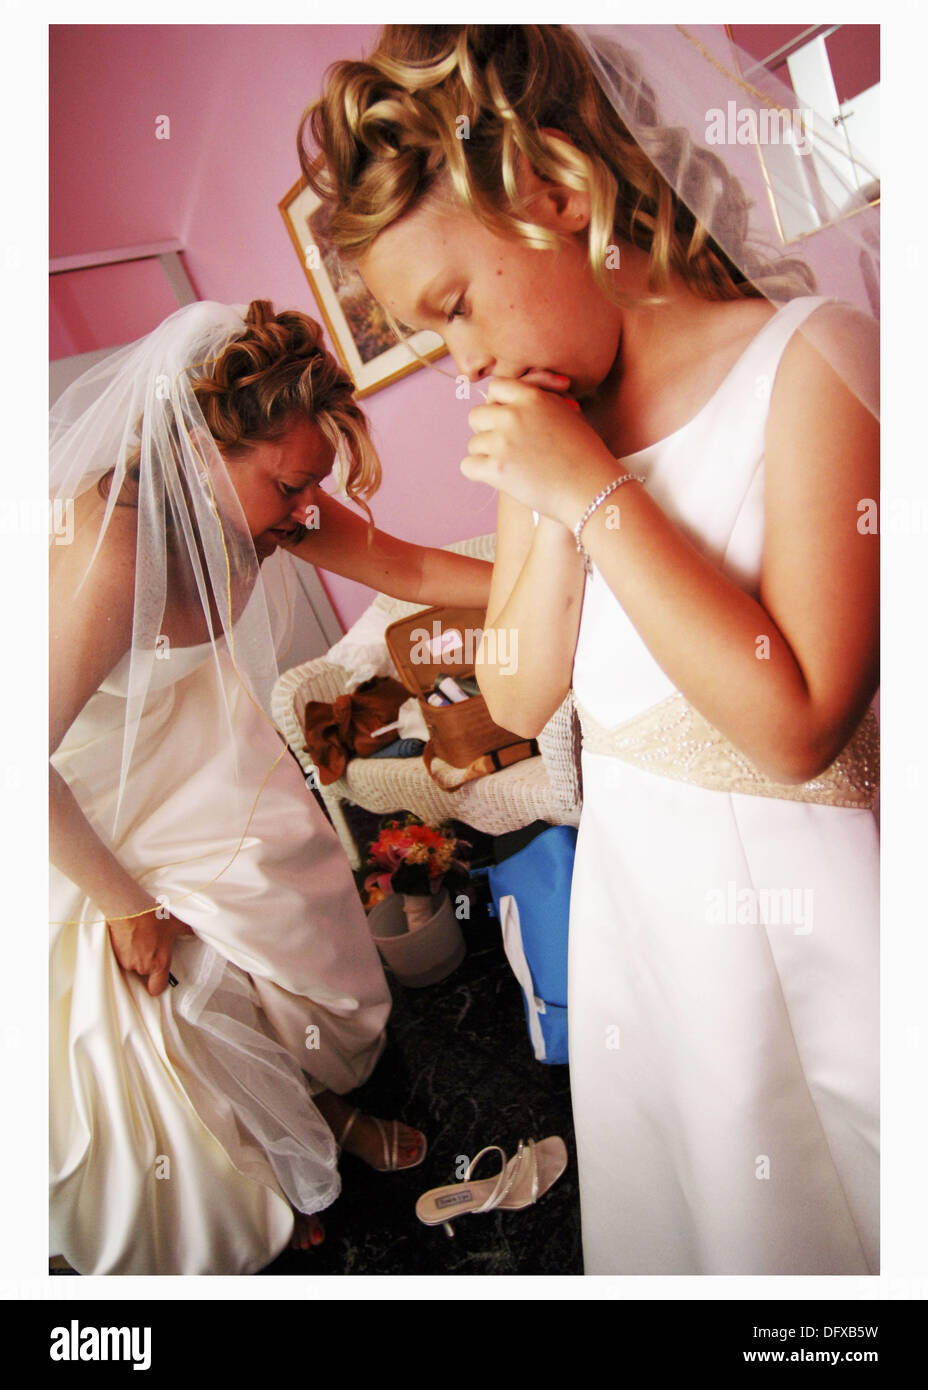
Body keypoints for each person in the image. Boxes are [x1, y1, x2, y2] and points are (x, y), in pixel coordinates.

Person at [301, 24, 880, 1274]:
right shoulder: (547, 425)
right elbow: (517, 683)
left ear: (559, 196)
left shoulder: (811, 361)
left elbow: (797, 723)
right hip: (647, 905)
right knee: (706, 1200)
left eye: (453, 306)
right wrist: (559, 496)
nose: (460, 361)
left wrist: (598, 492)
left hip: (816, 907)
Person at [49, 297, 491, 1274]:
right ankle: (266, 1176)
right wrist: (124, 906)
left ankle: (317, 1107)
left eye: (312, 484)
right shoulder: (110, 550)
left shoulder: (272, 502)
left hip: (199, 768)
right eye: (289, 483)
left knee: (289, 936)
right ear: (199, 448)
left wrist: (539, 584)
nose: (304, 507)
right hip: (80, 809)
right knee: (177, 1001)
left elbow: (397, 561)